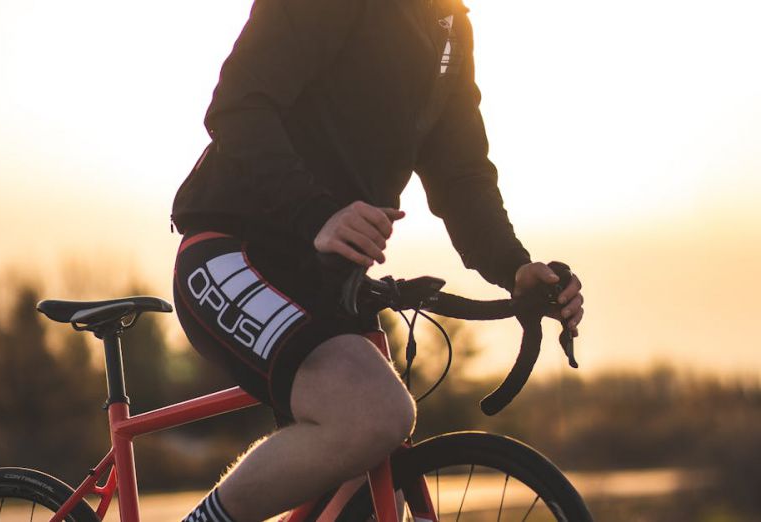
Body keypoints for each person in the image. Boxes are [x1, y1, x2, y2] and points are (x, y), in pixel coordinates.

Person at [170, 0, 584, 520]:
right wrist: (316, 214)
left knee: (363, 481)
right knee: (376, 414)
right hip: (233, 252)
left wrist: (514, 268)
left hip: (329, 280)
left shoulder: (448, 23)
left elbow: (461, 176)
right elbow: (236, 105)